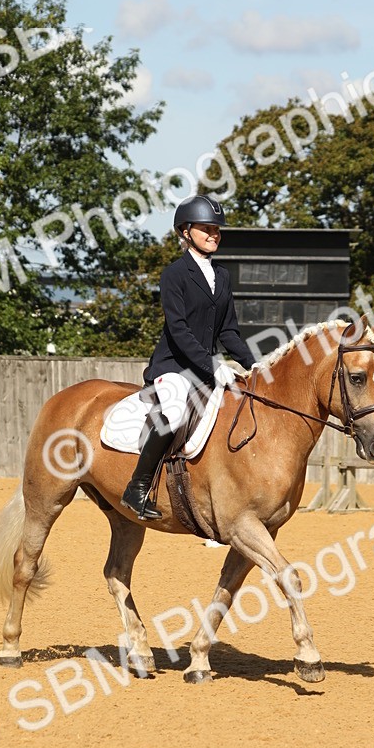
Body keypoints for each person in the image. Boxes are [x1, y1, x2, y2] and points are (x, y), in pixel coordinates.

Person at [120, 193, 256, 520]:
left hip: (207, 371)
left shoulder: (222, 276)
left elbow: (228, 331)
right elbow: (179, 330)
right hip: (174, 368)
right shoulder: (174, 275)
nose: (214, 234)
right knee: (176, 411)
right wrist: (213, 365)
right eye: (206, 228)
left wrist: (255, 365)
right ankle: (136, 489)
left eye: (217, 229)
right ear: (185, 232)